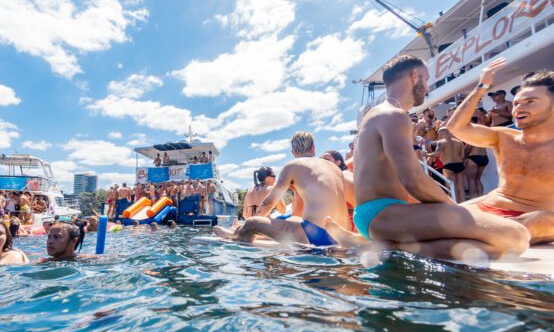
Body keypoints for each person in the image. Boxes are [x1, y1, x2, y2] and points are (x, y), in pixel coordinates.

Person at [324, 54, 530, 259]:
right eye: (426, 78)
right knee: (515, 236)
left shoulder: (377, 115)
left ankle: (373, 244)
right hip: (383, 214)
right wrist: (453, 208)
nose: (428, 87)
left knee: (479, 248)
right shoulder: (393, 115)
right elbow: (412, 178)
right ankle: (379, 247)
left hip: (379, 213)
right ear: (414, 76)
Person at [448, 61, 554, 244]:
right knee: (436, 215)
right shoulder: (504, 137)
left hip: (531, 218)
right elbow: (456, 127)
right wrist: (481, 86)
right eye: (517, 103)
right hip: (489, 208)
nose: (518, 108)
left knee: (542, 220)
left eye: (530, 102)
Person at [215, 131, 349, 247]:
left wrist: (251, 224)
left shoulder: (293, 165)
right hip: (342, 235)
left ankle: (236, 235)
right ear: (313, 147)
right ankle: (245, 232)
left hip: (318, 236)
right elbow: (298, 213)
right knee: (293, 220)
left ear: (293, 152)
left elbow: (268, 203)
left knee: (251, 223)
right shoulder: (335, 169)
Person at [429, 127, 466, 202]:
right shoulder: (459, 142)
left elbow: (436, 154)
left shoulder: (440, 142)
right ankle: (464, 204)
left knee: (451, 188)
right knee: (461, 187)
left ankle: (455, 206)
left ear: (440, 134)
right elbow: (462, 156)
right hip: (459, 164)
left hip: (448, 166)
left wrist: (426, 154)